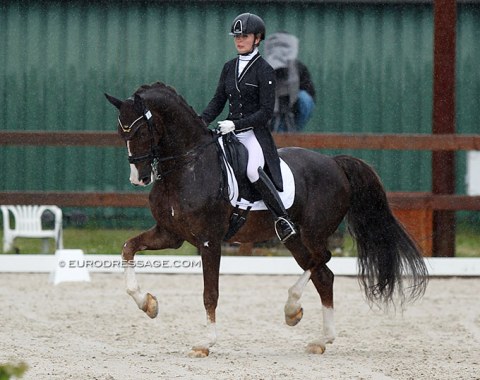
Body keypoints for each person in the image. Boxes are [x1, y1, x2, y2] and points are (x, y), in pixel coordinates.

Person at [201, 13, 297, 243]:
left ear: (257, 39)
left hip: (253, 134)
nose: (239, 40)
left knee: (253, 170)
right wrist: (200, 122)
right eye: (236, 36)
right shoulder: (229, 67)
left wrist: (236, 124)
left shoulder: (264, 70)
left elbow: (265, 112)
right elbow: (217, 102)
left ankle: (282, 219)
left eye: (244, 36)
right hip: (229, 132)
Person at [264, 32, 316, 132]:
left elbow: (308, 96)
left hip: (295, 109)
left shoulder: (299, 68)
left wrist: (291, 100)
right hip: (269, 112)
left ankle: (292, 132)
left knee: (304, 98)